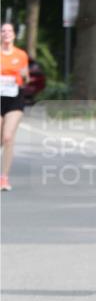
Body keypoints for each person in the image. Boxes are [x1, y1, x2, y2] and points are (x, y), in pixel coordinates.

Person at [1, 22, 30, 191]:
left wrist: (24, 77)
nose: (6, 33)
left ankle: (3, 178)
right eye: (3, 31)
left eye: (9, 30)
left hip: (14, 99)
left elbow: (26, 80)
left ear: (14, 34)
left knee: (8, 137)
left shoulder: (21, 55)